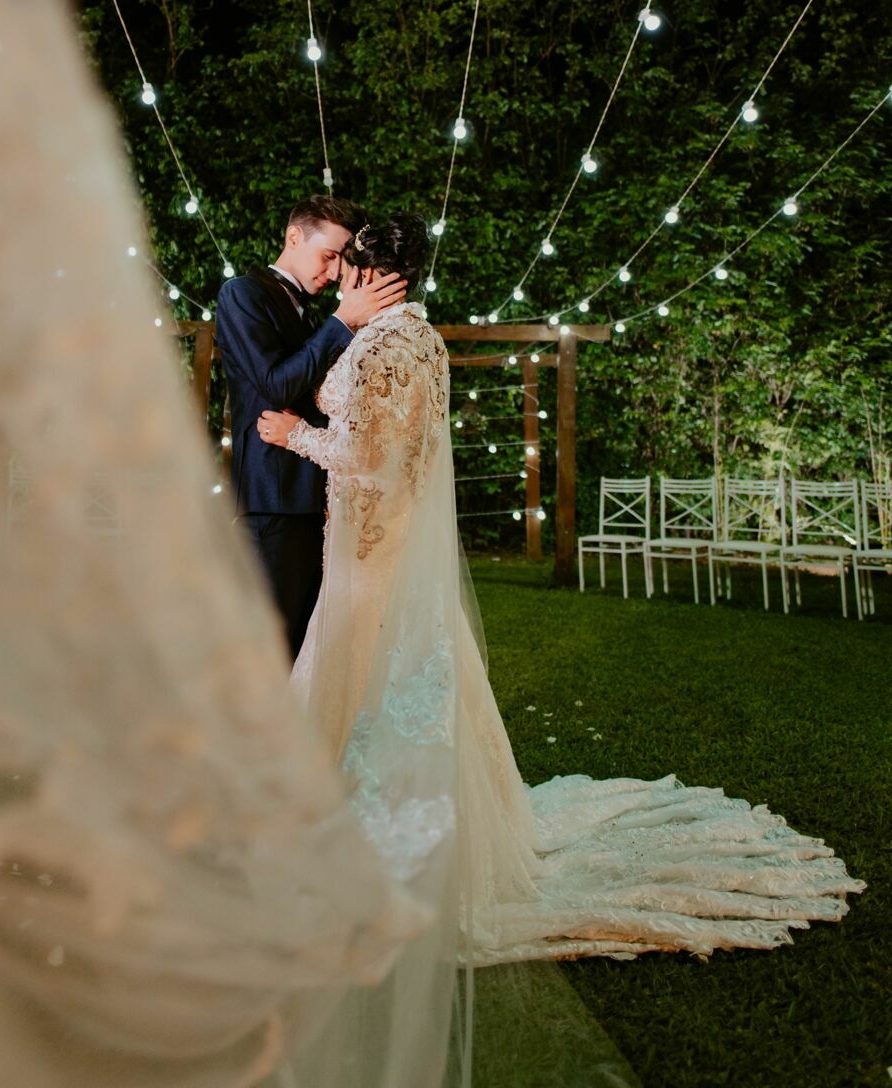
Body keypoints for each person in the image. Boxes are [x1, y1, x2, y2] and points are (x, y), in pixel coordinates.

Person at [258, 213, 865, 961]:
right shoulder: (413, 338)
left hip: (372, 548)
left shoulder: (389, 343)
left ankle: (365, 843)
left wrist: (295, 437)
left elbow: (377, 461)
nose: (338, 278)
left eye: (345, 264)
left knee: (367, 678)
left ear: (364, 271)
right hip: (369, 542)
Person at [216, 195, 405, 657]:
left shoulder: (313, 316)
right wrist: (343, 322)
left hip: (317, 500)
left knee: (304, 648)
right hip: (272, 499)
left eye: (343, 260)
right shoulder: (242, 294)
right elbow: (275, 384)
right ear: (293, 236)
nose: (336, 271)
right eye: (329, 255)